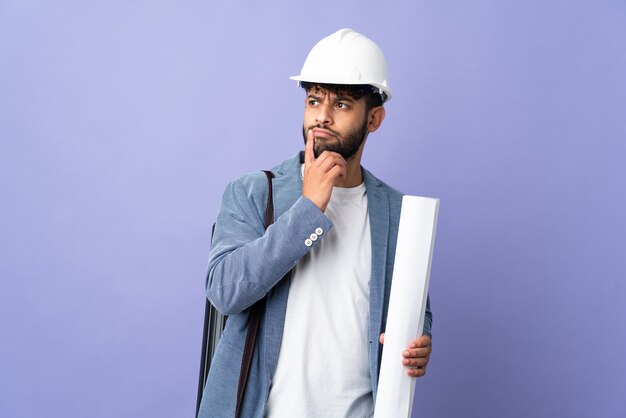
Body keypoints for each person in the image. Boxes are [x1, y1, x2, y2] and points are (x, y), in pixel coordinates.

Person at [198, 28, 432, 418]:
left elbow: (414, 307)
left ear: (374, 118)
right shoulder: (254, 192)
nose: (321, 116)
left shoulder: (398, 211)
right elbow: (224, 291)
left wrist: (419, 341)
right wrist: (308, 207)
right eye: (313, 100)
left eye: (341, 104)